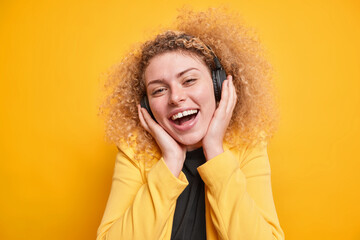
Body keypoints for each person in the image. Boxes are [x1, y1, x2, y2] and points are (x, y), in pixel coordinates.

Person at [97, 8, 285, 240]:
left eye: (189, 80)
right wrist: (170, 162)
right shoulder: (134, 152)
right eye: (159, 90)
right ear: (146, 105)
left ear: (218, 86)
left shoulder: (248, 145)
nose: (175, 97)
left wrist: (215, 150)